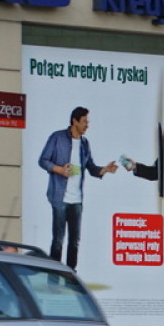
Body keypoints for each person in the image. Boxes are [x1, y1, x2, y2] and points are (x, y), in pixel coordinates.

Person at [38, 106, 117, 271]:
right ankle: (53, 278)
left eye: (87, 122)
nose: (87, 125)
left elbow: (91, 168)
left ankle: (70, 279)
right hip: (59, 197)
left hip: (77, 200)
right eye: (84, 122)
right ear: (75, 121)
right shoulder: (57, 137)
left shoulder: (84, 143)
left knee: (75, 242)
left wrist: (105, 169)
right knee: (58, 241)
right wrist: (59, 169)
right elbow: (43, 160)